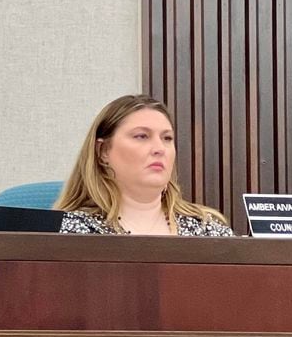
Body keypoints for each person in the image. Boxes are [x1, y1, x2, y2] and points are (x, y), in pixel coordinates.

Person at [56, 94, 231, 236]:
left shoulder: (207, 230)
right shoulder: (69, 231)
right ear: (103, 151)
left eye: (167, 138)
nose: (159, 149)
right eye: (141, 136)